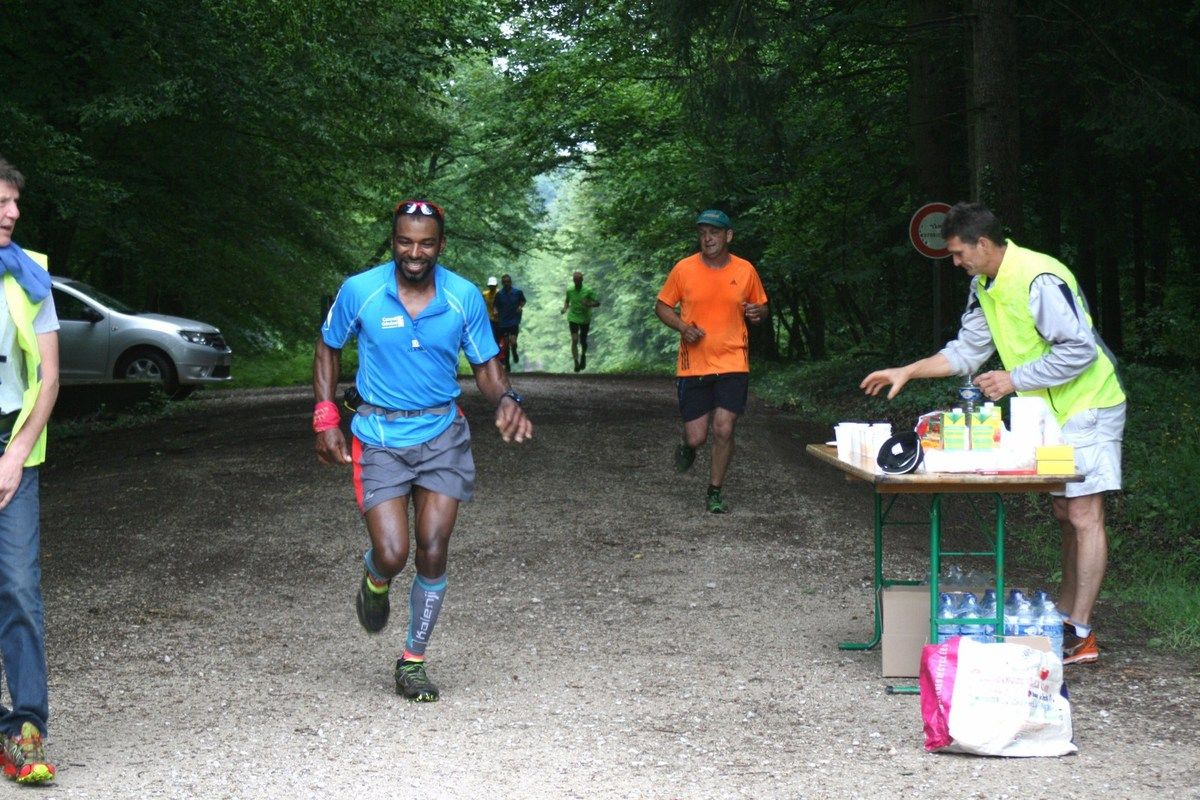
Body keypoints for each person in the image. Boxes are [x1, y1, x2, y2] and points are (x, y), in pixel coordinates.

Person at [860, 202, 1125, 666]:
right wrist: (908, 370)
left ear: (982, 244)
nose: (955, 262)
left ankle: (1080, 632)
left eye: (959, 253)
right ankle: (1063, 618)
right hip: (1047, 411)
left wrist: (1014, 379)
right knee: (1064, 512)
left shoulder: (1039, 278)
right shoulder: (984, 285)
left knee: (1084, 514)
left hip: (1089, 404)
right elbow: (966, 351)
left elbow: (1080, 350)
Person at [313, 199, 533, 702]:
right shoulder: (361, 291)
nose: (414, 253)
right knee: (393, 553)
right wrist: (325, 416)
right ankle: (376, 578)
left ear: (441, 245)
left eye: (426, 243)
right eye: (405, 242)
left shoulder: (462, 297)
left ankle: (412, 660)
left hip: (442, 437)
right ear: (393, 241)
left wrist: (507, 400)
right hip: (380, 437)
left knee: (433, 547)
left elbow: (486, 365)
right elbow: (328, 345)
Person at [0, 157, 61, 784]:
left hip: (10, 445)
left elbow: (50, 377)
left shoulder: (30, 273)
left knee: (18, 585)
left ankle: (25, 727)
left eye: (15, 202)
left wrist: (15, 455)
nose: (14, 213)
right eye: (1, 202)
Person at [655, 209, 768, 514]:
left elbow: (762, 307)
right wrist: (683, 327)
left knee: (724, 429)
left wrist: (757, 313)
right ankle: (688, 446)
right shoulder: (684, 269)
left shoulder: (745, 270)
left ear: (728, 236)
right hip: (694, 364)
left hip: (733, 361)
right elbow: (662, 306)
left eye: (714, 232)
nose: (707, 238)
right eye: (703, 233)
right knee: (697, 437)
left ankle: (714, 491)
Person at [560, 271, 600, 372]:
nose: (577, 283)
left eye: (578, 281)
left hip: (585, 318)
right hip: (573, 317)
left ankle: (583, 355)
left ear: (582, 280)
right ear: (573, 281)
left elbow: (597, 303)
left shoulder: (588, 290)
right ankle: (576, 362)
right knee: (574, 340)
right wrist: (564, 308)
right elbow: (567, 301)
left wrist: (588, 304)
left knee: (583, 341)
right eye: (575, 281)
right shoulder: (569, 290)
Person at [492, 274, 526, 370]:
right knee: (505, 345)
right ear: (502, 283)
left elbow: (523, 301)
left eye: (508, 281)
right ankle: (507, 364)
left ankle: (514, 351)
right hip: (503, 321)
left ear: (511, 282)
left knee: (513, 342)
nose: (506, 283)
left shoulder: (518, 292)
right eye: (504, 282)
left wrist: (520, 307)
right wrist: (495, 311)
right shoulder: (499, 294)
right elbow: (495, 305)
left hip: (514, 320)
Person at [481, 275, 501, 348]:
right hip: (490, 319)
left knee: (500, 337)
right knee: (493, 336)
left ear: (496, 285)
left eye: (493, 286)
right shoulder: (485, 294)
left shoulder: (500, 293)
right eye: (490, 286)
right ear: (488, 286)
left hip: (501, 319)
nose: (492, 287)